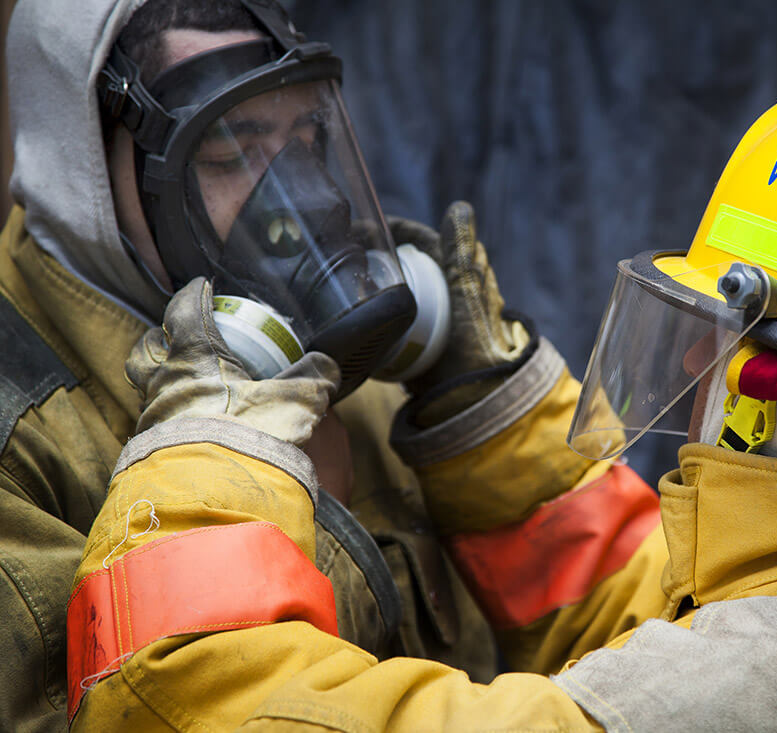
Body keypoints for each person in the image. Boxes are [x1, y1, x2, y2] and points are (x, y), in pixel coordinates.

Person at [67, 71, 777, 729]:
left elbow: (191, 700)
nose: (697, 355)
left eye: (711, 329)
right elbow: (651, 630)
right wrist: (485, 408)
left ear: (773, 376)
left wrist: (211, 440)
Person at [0, 0, 565, 727]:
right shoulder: (21, 450)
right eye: (231, 153)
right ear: (83, 177)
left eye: (307, 137)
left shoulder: (335, 367)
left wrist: (479, 424)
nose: (314, 199)